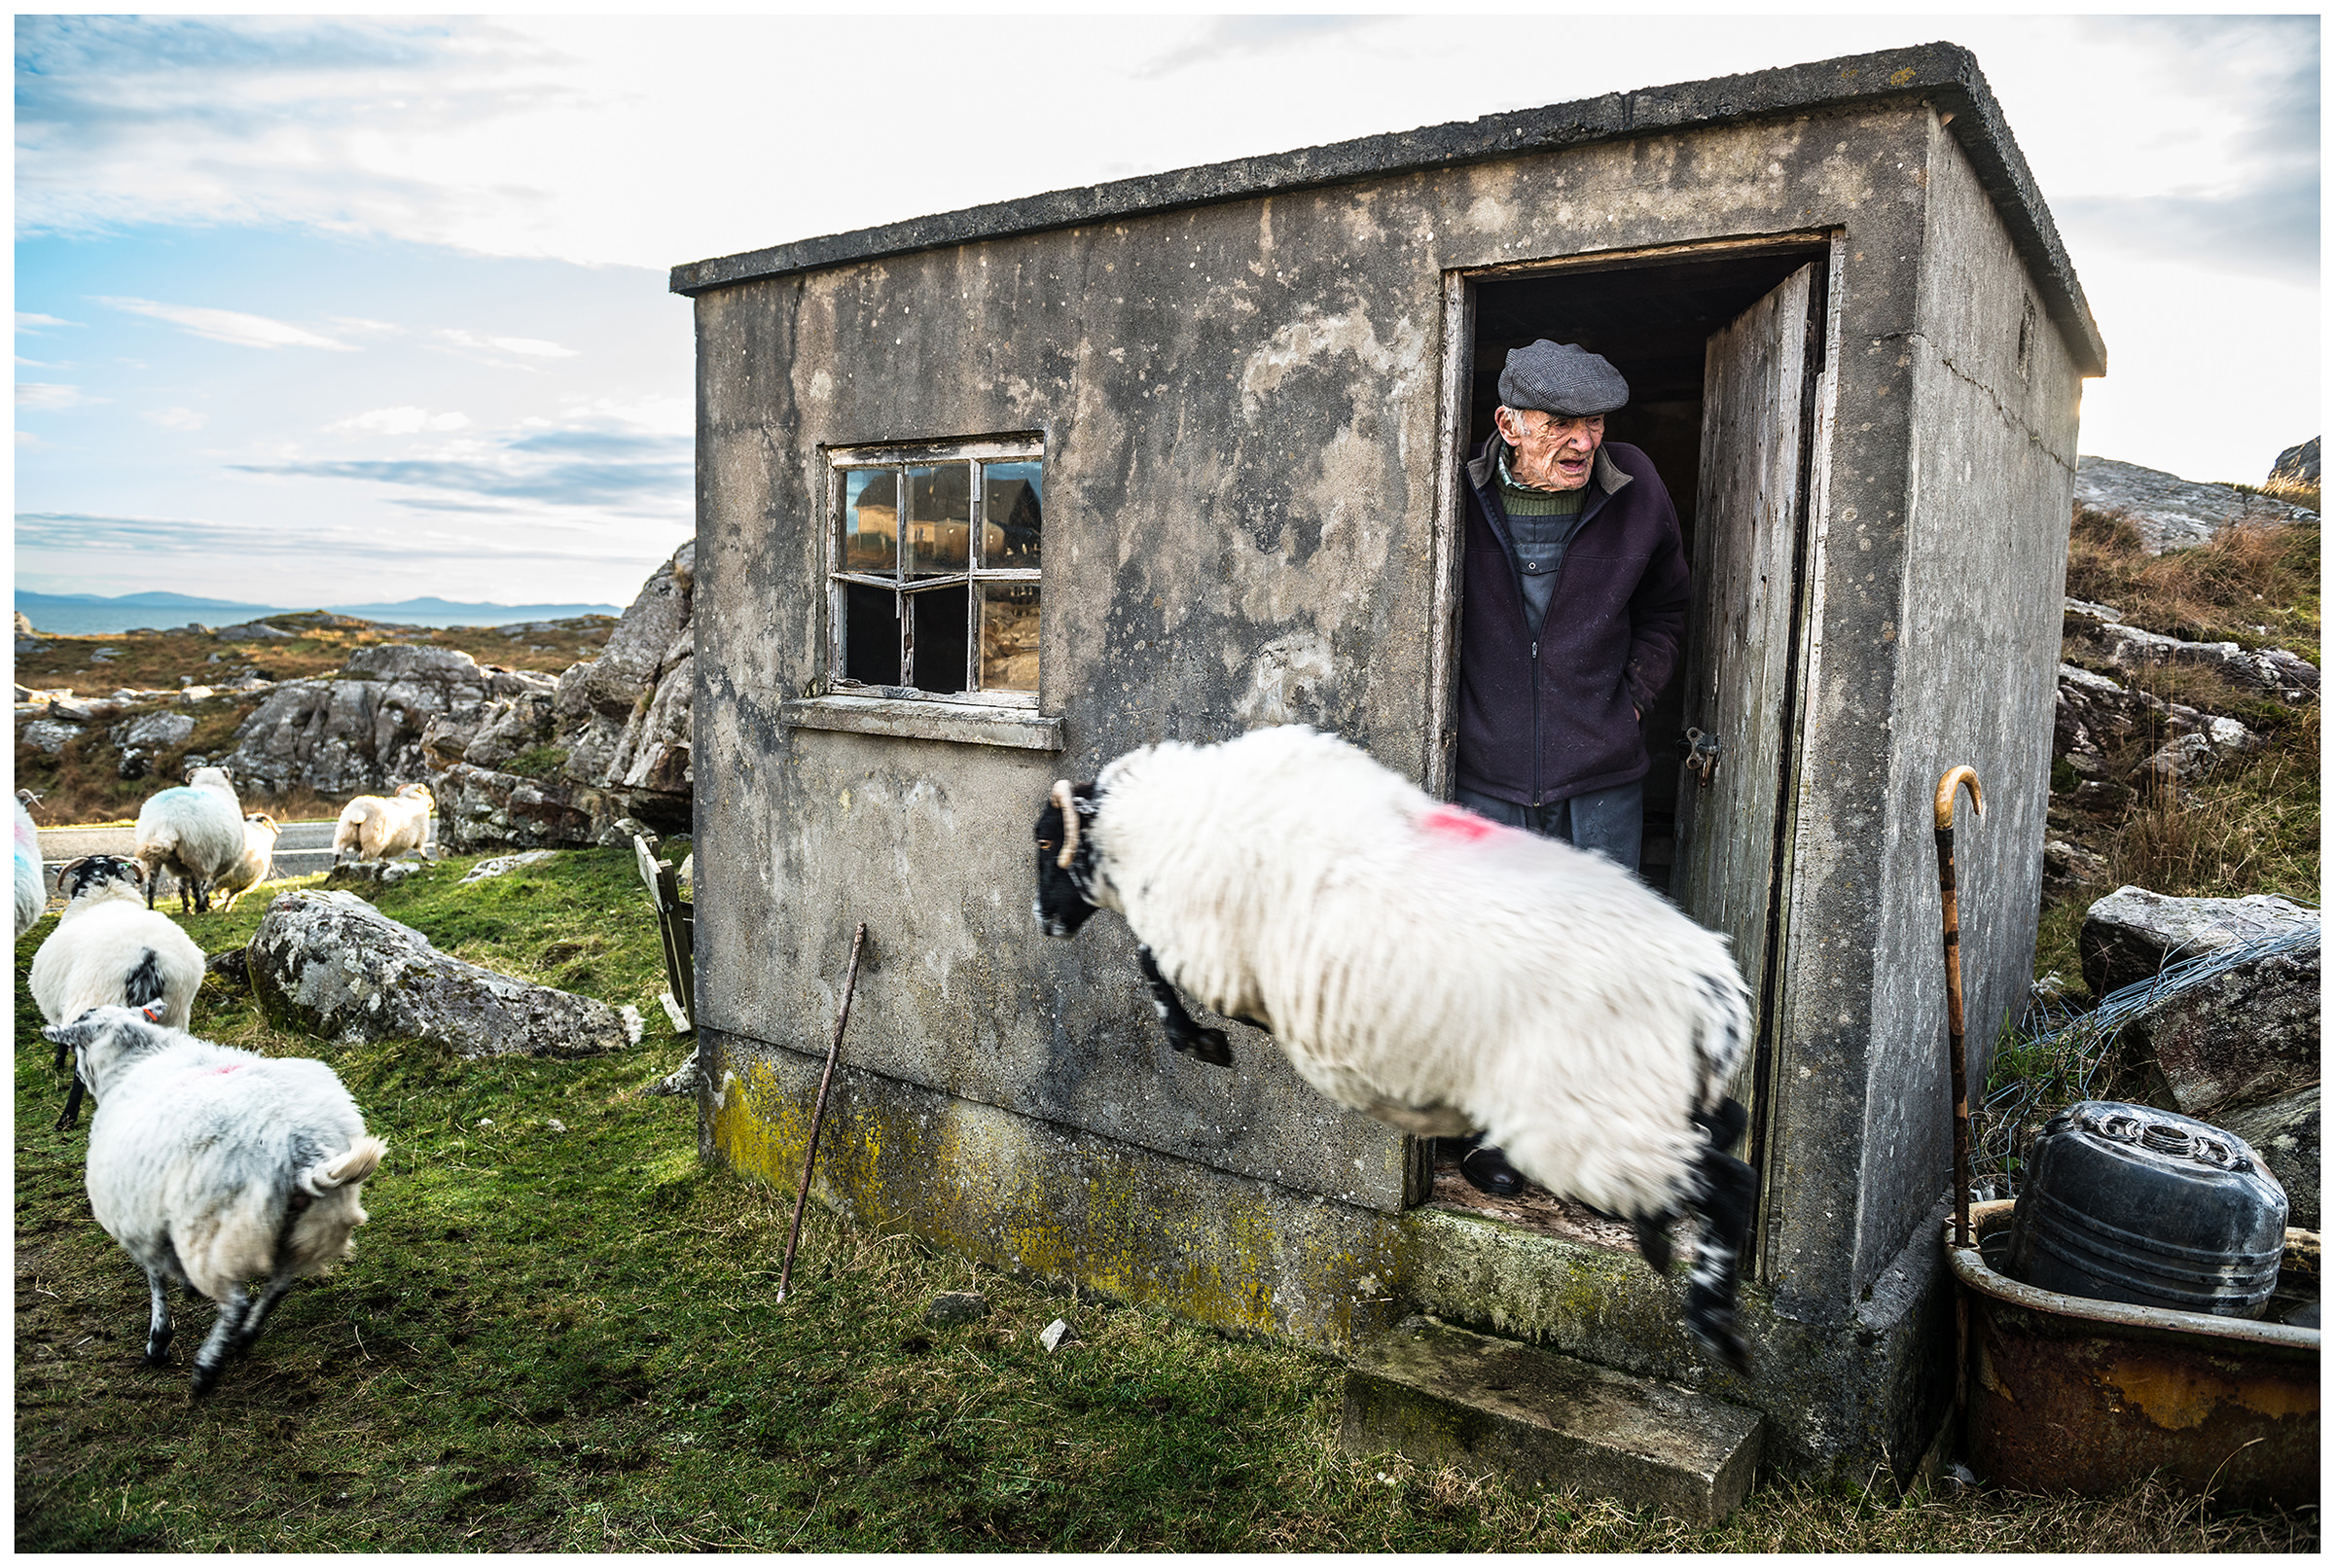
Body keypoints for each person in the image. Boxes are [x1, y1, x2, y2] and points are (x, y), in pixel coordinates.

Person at [1446, 339, 1691, 1198]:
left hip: (1602, 777)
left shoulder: (1637, 488)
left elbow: (1668, 604)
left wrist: (1632, 698)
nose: (1583, 440)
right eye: (1559, 422)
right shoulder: (1459, 493)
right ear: (1509, 424)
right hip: (1488, 776)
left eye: (1592, 421)